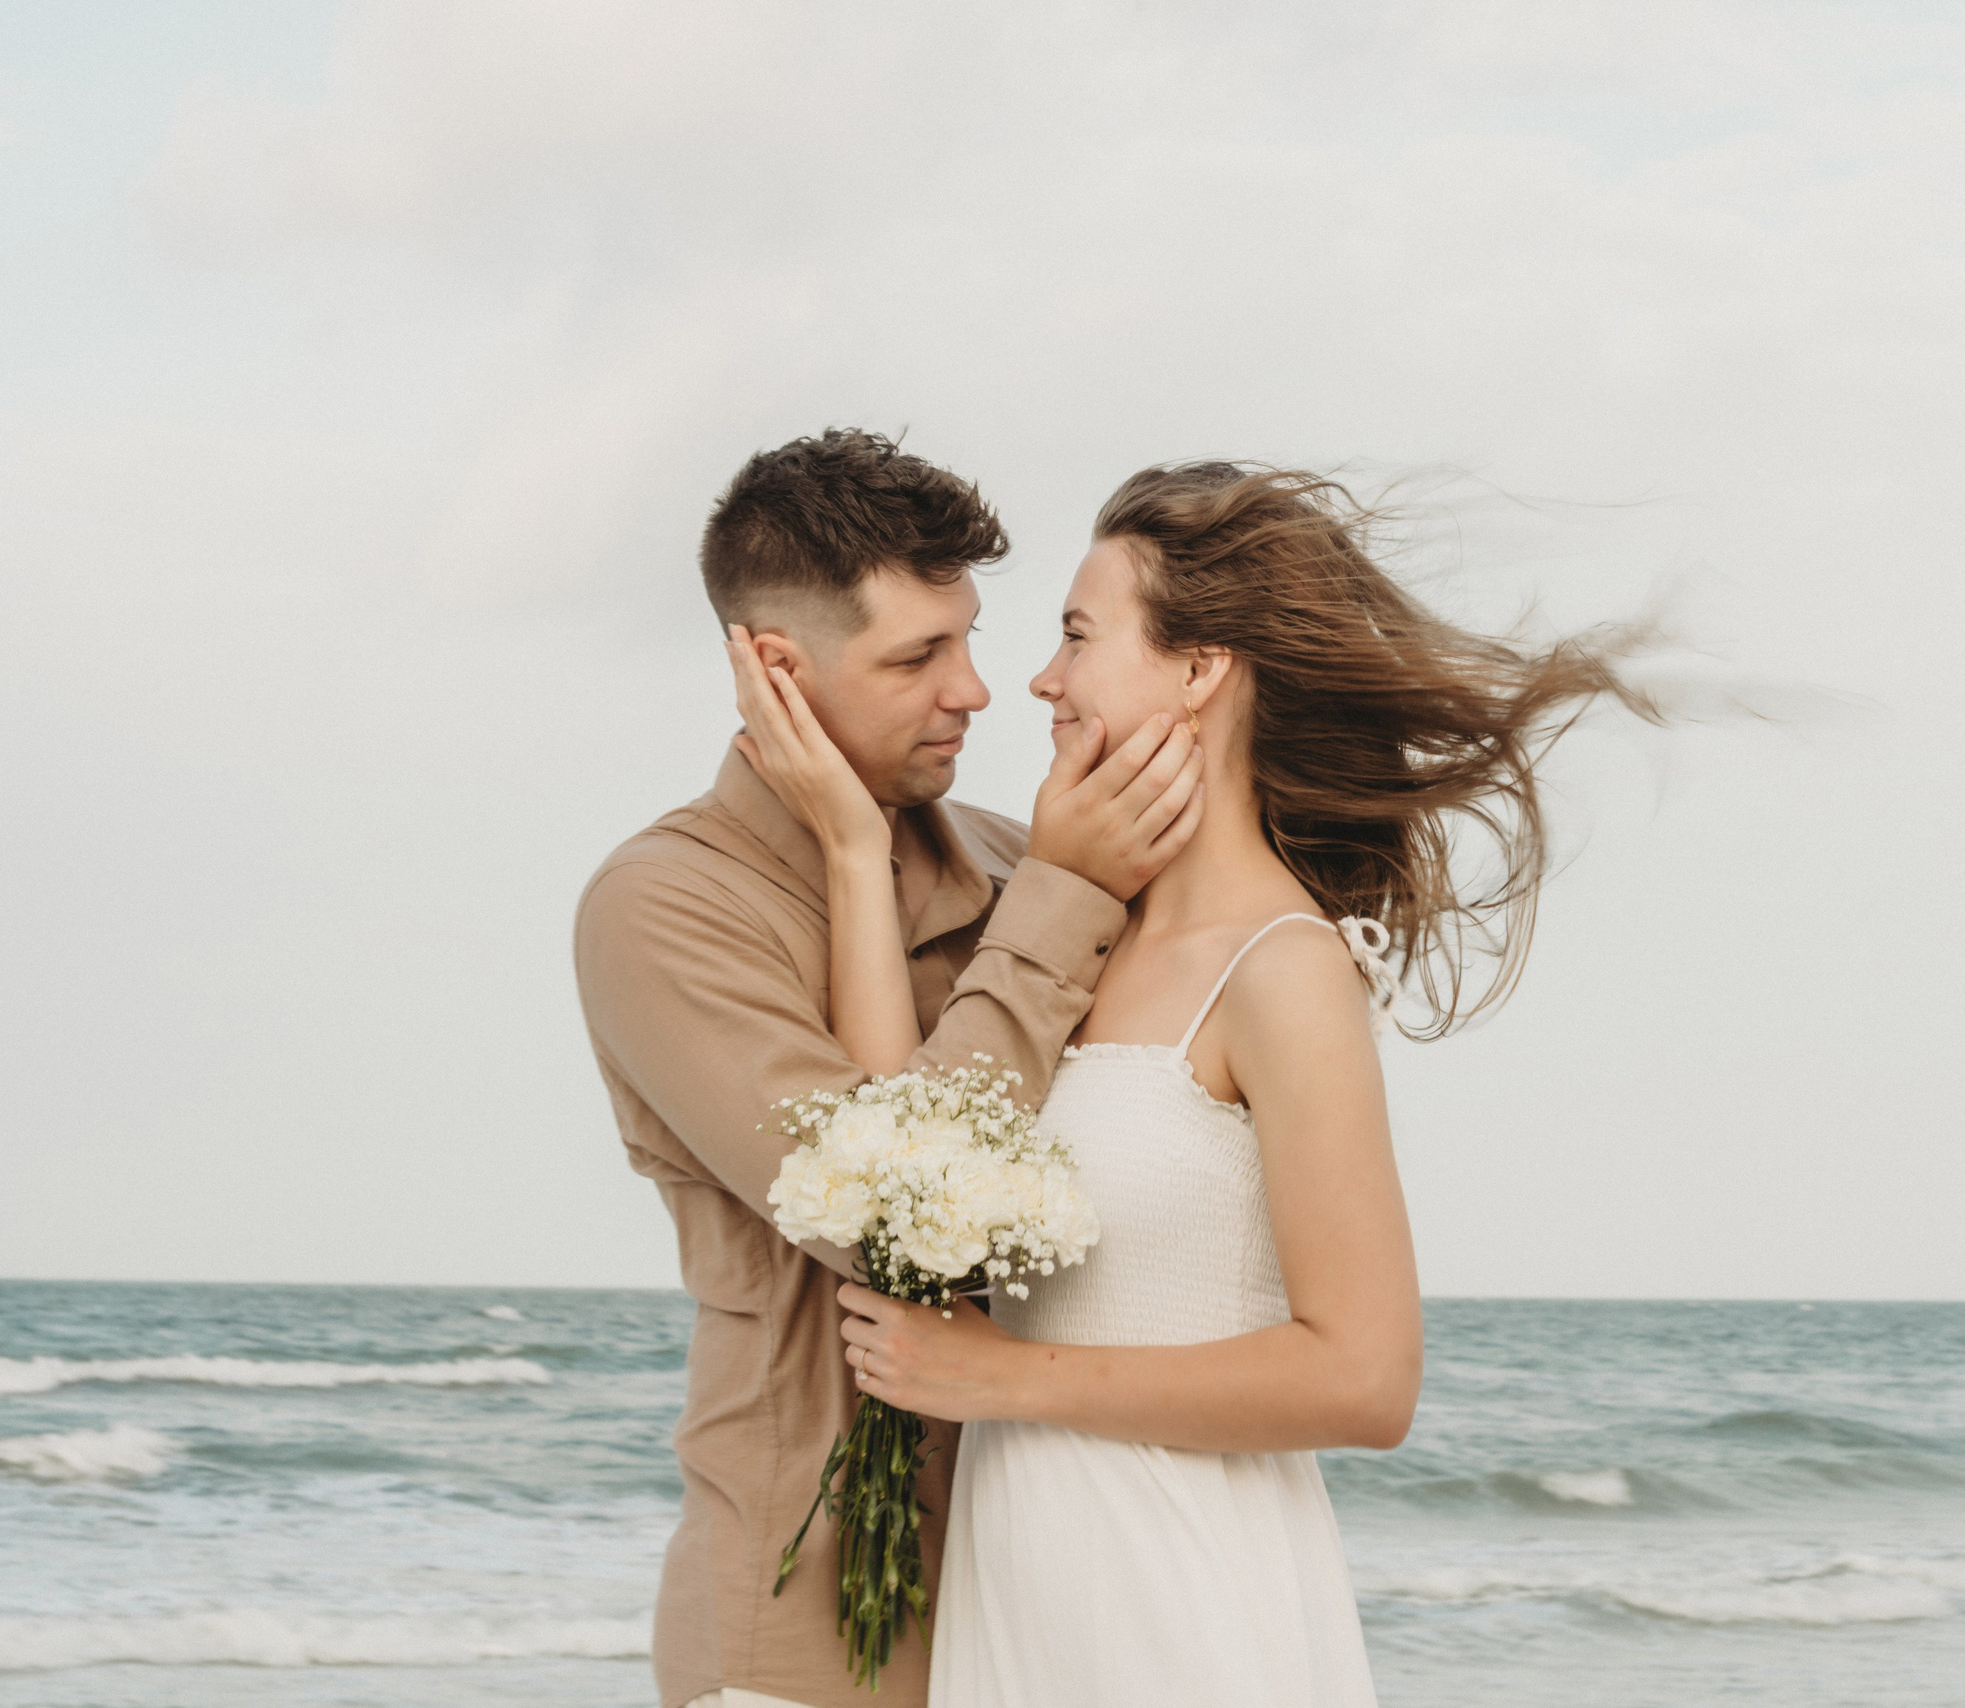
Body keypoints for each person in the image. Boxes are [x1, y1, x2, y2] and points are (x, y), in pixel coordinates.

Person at [730, 461, 1657, 1707]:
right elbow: (905, 1167)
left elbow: (1366, 1377)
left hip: (1177, 1591)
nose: (1041, 682)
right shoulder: (1069, 933)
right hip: (1025, 1584)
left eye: (1074, 636)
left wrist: (1006, 1380)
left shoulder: (1285, 971)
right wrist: (852, 844)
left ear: (1199, 668)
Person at [573, 429, 1204, 1708]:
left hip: (1058, 1593)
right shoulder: (664, 909)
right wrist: (1065, 894)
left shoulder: (1018, 861)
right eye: (919, 656)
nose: (973, 690)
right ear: (776, 670)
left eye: (970, 638)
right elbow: (898, 1224)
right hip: (811, 1631)